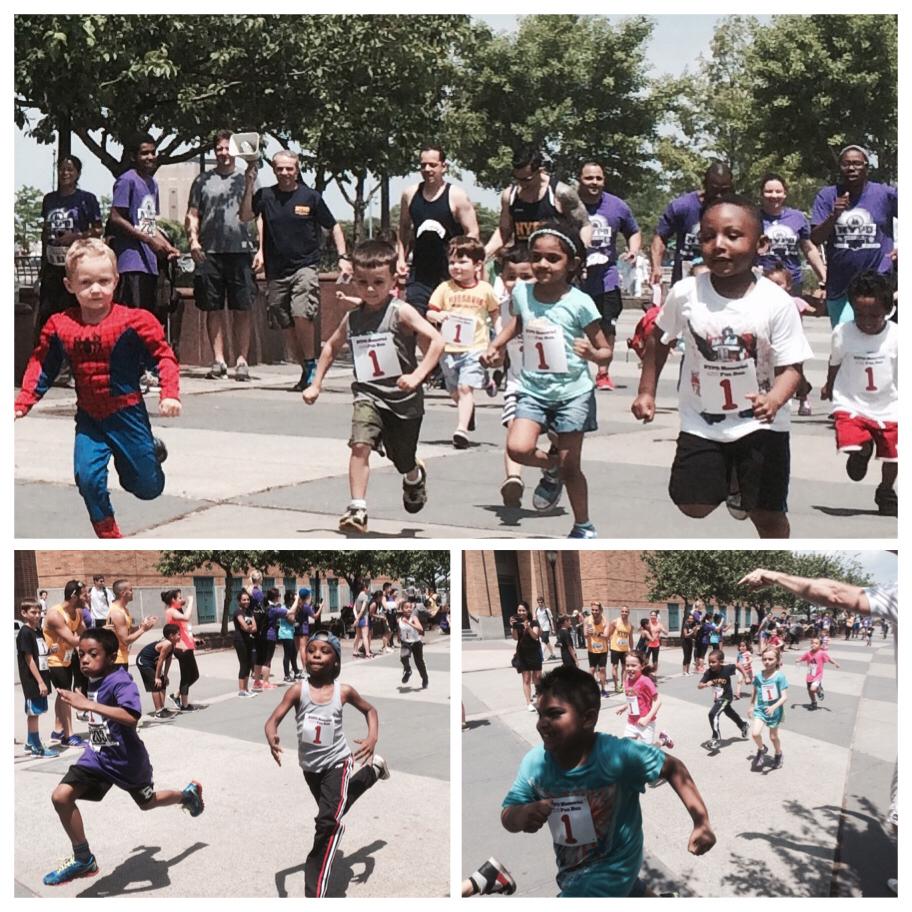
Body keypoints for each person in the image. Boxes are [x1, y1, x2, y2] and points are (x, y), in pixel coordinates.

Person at [632, 195, 813, 538]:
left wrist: (774, 399)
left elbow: (792, 368)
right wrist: (646, 391)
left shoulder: (775, 302)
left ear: (760, 244)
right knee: (692, 504)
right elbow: (658, 339)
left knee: (766, 514)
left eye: (733, 236)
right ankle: (733, 481)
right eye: (707, 237)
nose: (719, 245)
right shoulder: (686, 293)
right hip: (703, 418)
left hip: (762, 424)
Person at [501, 665, 715, 896]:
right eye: (540, 713)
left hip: (616, 867)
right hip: (572, 871)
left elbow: (673, 767)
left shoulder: (618, 754)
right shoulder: (535, 764)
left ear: (588, 718)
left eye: (554, 714)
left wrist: (701, 822)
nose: (542, 723)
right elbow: (508, 813)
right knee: (630, 892)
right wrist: (521, 815)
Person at [15, 239, 181, 538]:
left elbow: (163, 356)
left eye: (104, 281)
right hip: (90, 418)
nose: (95, 289)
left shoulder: (135, 322)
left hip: (128, 415)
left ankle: (151, 452)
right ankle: (109, 536)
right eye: (86, 282)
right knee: (87, 478)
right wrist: (23, 401)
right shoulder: (59, 325)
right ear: (69, 285)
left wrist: (169, 393)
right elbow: (41, 363)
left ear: (116, 281)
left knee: (146, 488)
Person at [41, 627, 203, 886]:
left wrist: (89, 705)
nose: (84, 659)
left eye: (92, 654)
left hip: (127, 762)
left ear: (111, 656)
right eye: (81, 654)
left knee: (147, 803)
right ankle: (83, 858)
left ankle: (187, 795)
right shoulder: (91, 678)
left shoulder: (121, 681)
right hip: (96, 757)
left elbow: (131, 716)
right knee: (61, 797)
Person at [304, 239, 443, 532]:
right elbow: (330, 347)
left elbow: (437, 341)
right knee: (359, 445)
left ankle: (414, 475)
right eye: (362, 282)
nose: (370, 289)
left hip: (404, 401)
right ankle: (357, 509)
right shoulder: (353, 318)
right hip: (368, 395)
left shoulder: (400, 311)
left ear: (394, 280)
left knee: (402, 458)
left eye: (378, 282)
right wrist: (316, 384)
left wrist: (418, 376)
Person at [483, 222, 612, 538]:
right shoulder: (523, 292)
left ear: (572, 264)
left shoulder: (580, 302)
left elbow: (605, 350)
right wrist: (496, 345)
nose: (542, 264)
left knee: (572, 467)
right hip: (533, 388)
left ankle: (583, 525)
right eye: (537, 257)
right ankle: (548, 466)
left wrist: (594, 356)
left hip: (573, 393)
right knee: (517, 448)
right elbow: (516, 323)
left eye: (552, 259)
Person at [263, 632, 390, 898]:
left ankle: (315, 893)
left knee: (327, 821)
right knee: (334, 809)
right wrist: (271, 733)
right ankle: (374, 771)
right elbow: (273, 718)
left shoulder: (343, 691)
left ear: (335, 660)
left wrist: (372, 736)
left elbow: (370, 710)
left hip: (338, 763)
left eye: (324, 651)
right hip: (310, 768)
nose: (317, 655)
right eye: (311, 651)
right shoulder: (298, 690)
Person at [240, 150, 351, 392]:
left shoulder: (310, 197)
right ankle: (307, 369)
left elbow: (334, 227)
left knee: (302, 312)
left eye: (289, 168)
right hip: (276, 271)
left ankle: (311, 364)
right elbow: (246, 215)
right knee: (285, 322)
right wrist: (249, 182)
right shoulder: (265, 195)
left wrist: (343, 257)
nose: (285, 173)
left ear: (297, 169)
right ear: (273, 169)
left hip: (305, 266)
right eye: (280, 168)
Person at [820, 271, 898, 516]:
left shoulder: (897, 337)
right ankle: (860, 452)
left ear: (887, 310)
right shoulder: (843, 333)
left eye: (873, 315)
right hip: (851, 401)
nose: (865, 321)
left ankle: (886, 490)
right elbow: (835, 361)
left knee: (895, 454)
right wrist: (829, 385)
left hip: (890, 404)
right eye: (859, 314)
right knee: (853, 440)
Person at [185, 129, 256, 381]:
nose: (224, 153)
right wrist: (193, 240)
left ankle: (242, 360)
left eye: (228, 148)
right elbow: (193, 213)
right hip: (209, 251)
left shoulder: (245, 178)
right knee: (212, 307)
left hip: (240, 251)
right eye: (219, 149)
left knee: (242, 307)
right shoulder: (202, 181)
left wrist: (249, 182)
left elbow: (251, 215)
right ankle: (218, 360)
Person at [426, 236, 501, 448]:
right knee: (454, 391)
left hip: (474, 348)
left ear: (477, 265)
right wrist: (436, 317)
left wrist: (499, 337)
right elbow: (430, 312)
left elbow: (495, 313)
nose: (456, 267)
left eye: (462, 262)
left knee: (465, 388)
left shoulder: (485, 289)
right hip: (448, 349)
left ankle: (461, 430)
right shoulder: (445, 288)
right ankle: (486, 383)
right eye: (452, 262)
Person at [810, 145, 897, 326]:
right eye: (846, 164)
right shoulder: (827, 196)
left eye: (857, 164)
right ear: (840, 167)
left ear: (866, 167)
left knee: (875, 339)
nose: (851, 168)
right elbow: (815, 238)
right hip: (840, 284)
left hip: (877, 279)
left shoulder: (884, 194)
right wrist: (834, 215)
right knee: (843, 339)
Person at [577, 162, 641, 390]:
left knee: (607, 325)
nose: (594, 182)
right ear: (580, 180)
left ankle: (603, 372)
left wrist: (633, 251)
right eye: (589, 178)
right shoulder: (569, 204)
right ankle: (571, 369)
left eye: (598, 178)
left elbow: (633, 231)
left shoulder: (617, 206)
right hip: (575, 278)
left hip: (607, 276)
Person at [397, 144, 480, 315]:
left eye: (432, 165)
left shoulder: (457, 196)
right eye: (423, 165)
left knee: (447, 325)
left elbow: (472, 233)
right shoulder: (410, 194)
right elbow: (404, 228)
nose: (427, 169)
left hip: (450, 274)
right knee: (415, 320)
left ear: (444, 166)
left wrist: (465, 264)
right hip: (420, 273)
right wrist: (400, 259)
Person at [108, 133, 180, 316]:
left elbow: (149, 224)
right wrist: (147, 240)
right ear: (134, 157)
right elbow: (116, 217)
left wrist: (167, 247)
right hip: (130, 264)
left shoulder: (152, 184)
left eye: (153, 152)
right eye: (144, 153)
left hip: (149, 264)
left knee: (147, 320)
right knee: (131, 320)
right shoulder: (127, 180)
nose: (150, 157)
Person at [36, 154, 103, 341]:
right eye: (62, 169)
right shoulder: (49, 199)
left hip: (75, 264)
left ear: (78, 174)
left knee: (73, 310)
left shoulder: (87, 199)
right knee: (48, 312)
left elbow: (98, 229)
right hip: (52, 265)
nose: (65, 173)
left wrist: (75, 237)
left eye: (70, 169)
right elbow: (44, 231)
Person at [485, 149, 592, 256]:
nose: (521, 184)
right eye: (517, 178)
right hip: (523, 264)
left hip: (552, 264)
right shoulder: (510, 196)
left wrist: (580, 257)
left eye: (526, 179)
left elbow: (584, 225)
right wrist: (484, 254)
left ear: (540, 170)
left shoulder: (562, 193)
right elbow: (503, 232)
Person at [494, 247, 536, 506]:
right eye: (511, 277)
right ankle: (514, 479)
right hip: (518, 383)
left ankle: (552, 468)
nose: (517, 283)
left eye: (525, 276)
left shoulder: (548, 305)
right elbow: (500, 348)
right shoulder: (502, 310)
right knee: (513, 429)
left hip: (554, 387)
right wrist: (493, 356)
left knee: (557, 439)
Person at [650, 161, 733, 287]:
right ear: (705, 185)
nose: (719, 195)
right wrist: (656, 267)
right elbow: (660, 237)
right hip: (686, 278)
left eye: (725, 190)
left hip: (723, 280)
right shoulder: (682, 207)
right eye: (714, 190)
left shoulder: (736, 209)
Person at [757, 172, 827, 298]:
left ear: (785, 193)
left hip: (792, 282)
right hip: (760, 281)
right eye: (769, 191)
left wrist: (823, 276)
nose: (774, 195)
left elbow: (809, 248)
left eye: (778, 191)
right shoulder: (752, 217)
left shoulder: (797, 217)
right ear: (761, 194)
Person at [42, 580, 88, 747]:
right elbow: (74, 640)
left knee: (62, 695)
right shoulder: (56, 614)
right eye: (85, 594)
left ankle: (57, 730)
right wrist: (83, 639)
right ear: (74, 595)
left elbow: (83, 635)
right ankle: (68, 736)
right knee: (66, 695)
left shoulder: (78, 612)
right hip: (53, 660)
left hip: (67, 658)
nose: (88, 597)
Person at [18, 599, 60, 758]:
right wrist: (40, 682)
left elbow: (38, 654)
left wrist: (50, 651)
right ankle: (36, 746)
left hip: (42, 674)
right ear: (24, 613)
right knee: (33, 712)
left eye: (39, 612)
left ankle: (30, 742)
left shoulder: (37, 631)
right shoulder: (25, 633)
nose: (36, 616)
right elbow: (29, 659)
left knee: (37, 711)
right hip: (33, 679)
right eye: (32, 612)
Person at [615, 651, 674, 748]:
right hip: (631, 722)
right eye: (627, 665)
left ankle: (663, 740)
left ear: (642, 666)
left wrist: (647, 718)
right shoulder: (627, 680)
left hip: (646, 724)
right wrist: (625, 706)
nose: (630, 668)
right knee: (625, 748)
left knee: (646, 753)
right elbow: (635, 698)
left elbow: (658, 701)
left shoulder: (645, 681)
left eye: (633, 665)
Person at [697, 649, 750, 749]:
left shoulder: (726, 669)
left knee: (712, 714)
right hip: (718, 698)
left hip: (726, 697)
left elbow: (738, 665)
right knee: (729, 712)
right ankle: (743, 725)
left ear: (720, 662)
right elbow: (699, 685)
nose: (711, 664)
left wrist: (746, 676)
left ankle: (716, 739)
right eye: (709, 662)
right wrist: (705, 684)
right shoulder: (708, 673)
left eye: (713, 662)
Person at [749, 647, 788, 770]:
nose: (767, 662)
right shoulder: (759, 676)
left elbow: (784, 697)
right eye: (764, 659)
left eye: (770, 659)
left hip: (774, 711)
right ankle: (761, 749)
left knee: (773, 737)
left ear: (777, 660)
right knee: (755, 733)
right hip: (760, 709)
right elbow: (755, 690)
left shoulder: (779, 677)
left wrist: (773, 707)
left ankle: (778, 753)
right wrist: (751, 705)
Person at [106, 578, 156, 672]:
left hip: (123, 657)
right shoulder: (117, 613)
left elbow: (128, 630)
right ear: (123, 593)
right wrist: (143, 630)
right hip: (117, 660)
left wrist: (142, 626)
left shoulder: (124, 610)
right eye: (130, 590)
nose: (132, 592)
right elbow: (125, 640)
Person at [162, 589, 200, 711]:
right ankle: (185, 705)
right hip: (180, 647)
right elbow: (186, 617)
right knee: (186, 675)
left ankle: (176, 695)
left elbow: (184, 628)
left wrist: (193, 639)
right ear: (173, 600)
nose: (181, 599)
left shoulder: (177, 609)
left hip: (187, 645)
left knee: (194, 675)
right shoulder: (171, 611)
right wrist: (191, 601)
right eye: (179, 597)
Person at [135, 623, 181, 719]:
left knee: (163, 682)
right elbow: (160, 661)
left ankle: (162, 708)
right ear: (171, 636)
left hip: (153, 662)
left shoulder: (172, 644)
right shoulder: (167, 644)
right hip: (143, 660)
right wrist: (156, 677)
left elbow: (168, 659)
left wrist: (165, 675)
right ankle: (158, 712)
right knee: (155, 684)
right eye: (178, 634)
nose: (180, 636)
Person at [511, 602, 543, 711]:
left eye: (523, 610)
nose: (521, 612)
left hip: (534, 653)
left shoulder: (534, 623)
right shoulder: (516, 624)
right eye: (519, 610)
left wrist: (528, 627)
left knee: (537, 677)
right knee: (526, 678)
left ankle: (539, 699)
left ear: (527, 611)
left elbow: (535, 636)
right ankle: (529, 702)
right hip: (522, 653)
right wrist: (514, 627)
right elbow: (515, 638)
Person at [796, 637, 840, 710]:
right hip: (810, 674)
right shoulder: (808, 653)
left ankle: (819, 691)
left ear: (820, 645)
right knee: (810, 690)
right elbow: (802, 658)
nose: (814, 644)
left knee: (813, 689)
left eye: (816, 643)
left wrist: (835, 663)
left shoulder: (822, 653)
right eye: (812, 643)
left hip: (818, 675)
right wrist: (798, 660)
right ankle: (813, 702)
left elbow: (829, 659)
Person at [232, 590, 259, 697]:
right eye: (244, 599)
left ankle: (246, 688)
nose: (246, 601)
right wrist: (249, 628)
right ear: (239, 601)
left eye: (247, 599)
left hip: (249, 640)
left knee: (249, 664)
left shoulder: (249, 612)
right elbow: (244, 626)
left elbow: (255, 628)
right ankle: (241, 690)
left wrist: (250, 628)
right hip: (240, 641)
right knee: (243, 664)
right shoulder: (238, 612)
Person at [398, 599, 429, 688]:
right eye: (406, 607)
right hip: (405, 642)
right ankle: (408, 671)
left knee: (419, 662)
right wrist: (399, 636)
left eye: (410, 607)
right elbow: (400, 628)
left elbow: (420, 629)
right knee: (403, 657)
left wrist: (409, 623)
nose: (408, 609)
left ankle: (425, 678)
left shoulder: (414, 618)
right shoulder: (399, 619)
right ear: (402, 609)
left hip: (416, 642)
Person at [583, 602, 611, 697]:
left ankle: (603, 689)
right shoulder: (587, 620)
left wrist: (596, 633)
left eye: (596, 610)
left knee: (602, 669)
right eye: (593, 610)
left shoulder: (605, 621)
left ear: (600, 610)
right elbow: (585, 636)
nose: (594, 612)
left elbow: (606, 636)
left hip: (603, 649)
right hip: (592, 649)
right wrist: (587, 633)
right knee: (592, 669)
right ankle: (591, 689)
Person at [294, 587, 321, 676]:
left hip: (296, 628)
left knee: (296, 648)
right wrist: (321, 607)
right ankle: (305, 668)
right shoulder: (306, 607)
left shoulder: (296, 605)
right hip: (304, 629)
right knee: (303, 648)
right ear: (307, 596)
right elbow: (315, 616)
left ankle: (294, 667)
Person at [606, 605, 633, 692]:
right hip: (615, 648)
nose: (624, 613)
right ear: (620, 612)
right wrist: (609, 643)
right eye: (623, 611)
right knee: (615, 666)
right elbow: (609, 634)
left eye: (626, 611)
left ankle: (623, 684)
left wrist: (631, 650)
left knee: (625, 668)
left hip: (624, 649)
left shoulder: (630, 625)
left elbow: (631, 638)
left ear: (628, 613)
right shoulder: (615, 622)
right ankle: (616, 685)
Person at [535, 596, 557, 661]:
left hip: (546, 627)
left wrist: (553, 629)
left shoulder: (547, 610)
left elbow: (551, 619)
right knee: (547, 641)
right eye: (538, 602)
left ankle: (541, 656)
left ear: (543, 602)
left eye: (541, 602)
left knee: (543, 641)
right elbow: (536, 619)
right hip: (540, 628)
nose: (540, 603)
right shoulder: (537, 610)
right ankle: (553, 654)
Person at [680, 611, 698, 676]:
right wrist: (693, 631)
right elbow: (685, 635)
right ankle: (684, 671)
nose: (691, 620)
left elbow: (694, 636)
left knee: (690, 656)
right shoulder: (685, 625)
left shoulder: (691, 625)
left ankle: (687, 671)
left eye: (692, 618)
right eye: (690, 618)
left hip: (690, 641)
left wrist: (695, 630)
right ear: (687, 619)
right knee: (686, 656)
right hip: (685, 642)